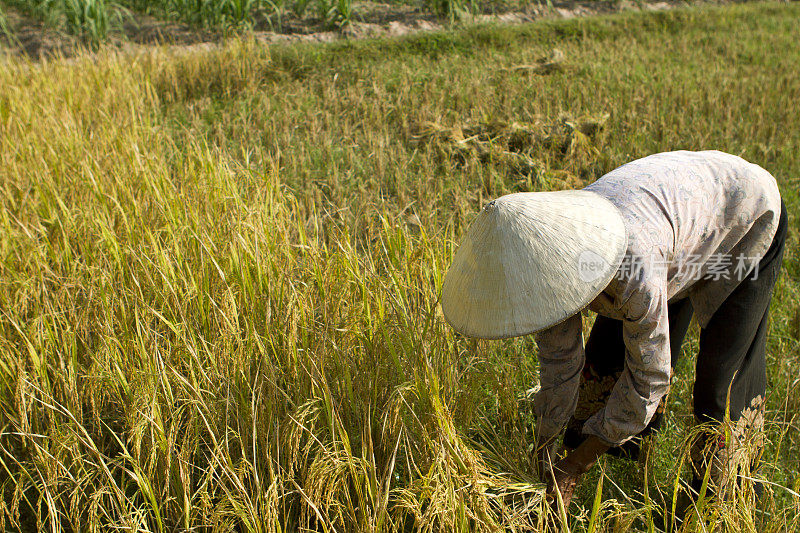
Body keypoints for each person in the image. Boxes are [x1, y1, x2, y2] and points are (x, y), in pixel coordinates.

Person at [440, 150, 787, 508]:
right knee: (607, 360)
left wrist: (575, 465)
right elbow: (560, 364)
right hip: (674, 229)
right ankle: (623, 460)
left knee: (720, 384)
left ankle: (717, 502)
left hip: (745, 215)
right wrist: (544, 452)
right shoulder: (545, 263)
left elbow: (650, 377)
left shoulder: (630, 269)